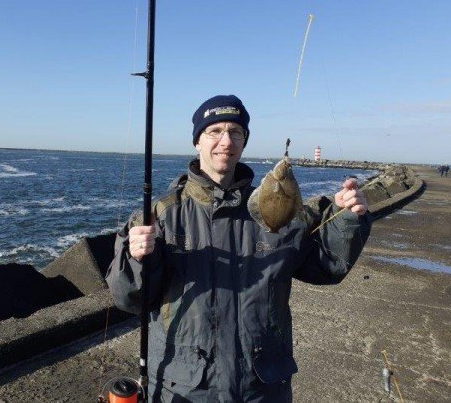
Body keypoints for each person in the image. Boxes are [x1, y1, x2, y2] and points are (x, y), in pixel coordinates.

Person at [106, 95, 372, 402]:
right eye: (214, 131)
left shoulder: (280, 210)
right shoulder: (159, 214)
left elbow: (326, 266)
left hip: (261, 388)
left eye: (236, 132)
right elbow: (130, 299)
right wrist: (136, 258)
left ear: (244, 142)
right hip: (184, 390)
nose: (226, 141)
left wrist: (346, 219)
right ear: (197, 141)